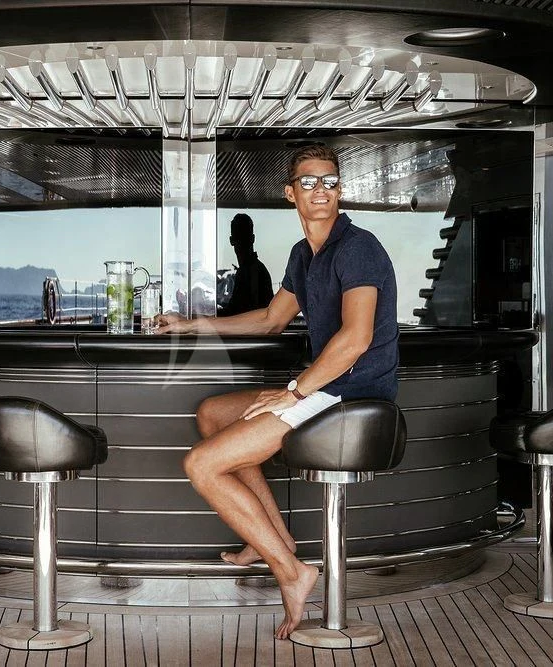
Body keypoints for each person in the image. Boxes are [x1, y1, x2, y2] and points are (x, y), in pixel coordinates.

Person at [155, 144, 399, 640]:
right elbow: (272, 318)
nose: (321, 191)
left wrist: (293, 392)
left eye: (329, 181)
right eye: (308, 182)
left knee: (201, 465)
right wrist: (192, 324)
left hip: (351, 398)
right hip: (326, 389)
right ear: (291, 193)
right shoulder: (303, 253)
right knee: (213, 412)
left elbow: (356, 339)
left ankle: (291, 570)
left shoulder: (358, 247)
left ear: (340, 190)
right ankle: (273, 537)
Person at [220, 213, 273, 316]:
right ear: (253, 238)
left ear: (231, 241)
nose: (242, 242)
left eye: (243, 236)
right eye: (240, 237)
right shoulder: (255, 270)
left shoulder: (252, 272)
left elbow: (242, 312)